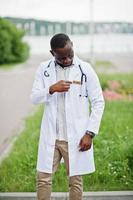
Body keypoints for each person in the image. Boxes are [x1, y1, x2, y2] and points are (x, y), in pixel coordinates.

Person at [31, 33, 105, 200]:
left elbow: (99, 102)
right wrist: (51, 89)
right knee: (43, 179)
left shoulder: (85, 69)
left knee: (75, 181)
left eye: (69, 55)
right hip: (52, 136)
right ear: (52, 53)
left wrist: (90, 133)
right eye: (61, 57)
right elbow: (34, 98)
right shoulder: (44, 69)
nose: (67, 60)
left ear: (72, 45)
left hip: (76, 137)